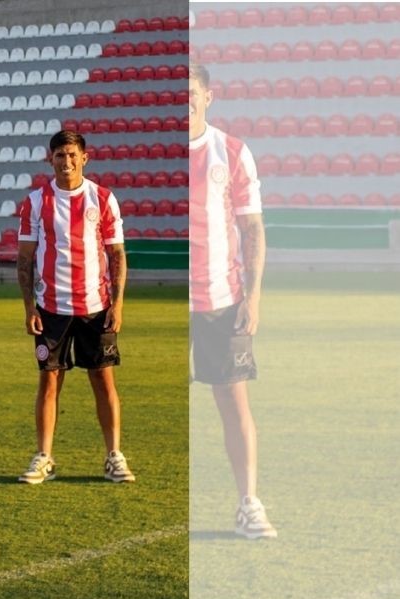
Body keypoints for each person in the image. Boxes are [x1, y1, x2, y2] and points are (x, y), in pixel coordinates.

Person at [15, 130, 135, 485]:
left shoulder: (103, 198)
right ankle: (44, 457)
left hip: (95, 307)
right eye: (59, 155)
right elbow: (25, 259)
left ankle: (114, 456)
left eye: (71, 155)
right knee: (49, 381)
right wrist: (29, 308)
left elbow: (116, 254)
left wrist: (117, 304)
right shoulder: (35, 202)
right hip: (51, 308)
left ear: (84, 158)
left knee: (103, 379)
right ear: (50, 159)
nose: (66, 161)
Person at [188, 64, 275, 539]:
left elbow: (252, 229)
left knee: (233, 402)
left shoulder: (233, 152)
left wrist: (253, 297)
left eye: (191, 92)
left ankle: (249, 503)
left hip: (221, 300)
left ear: (208, 96)